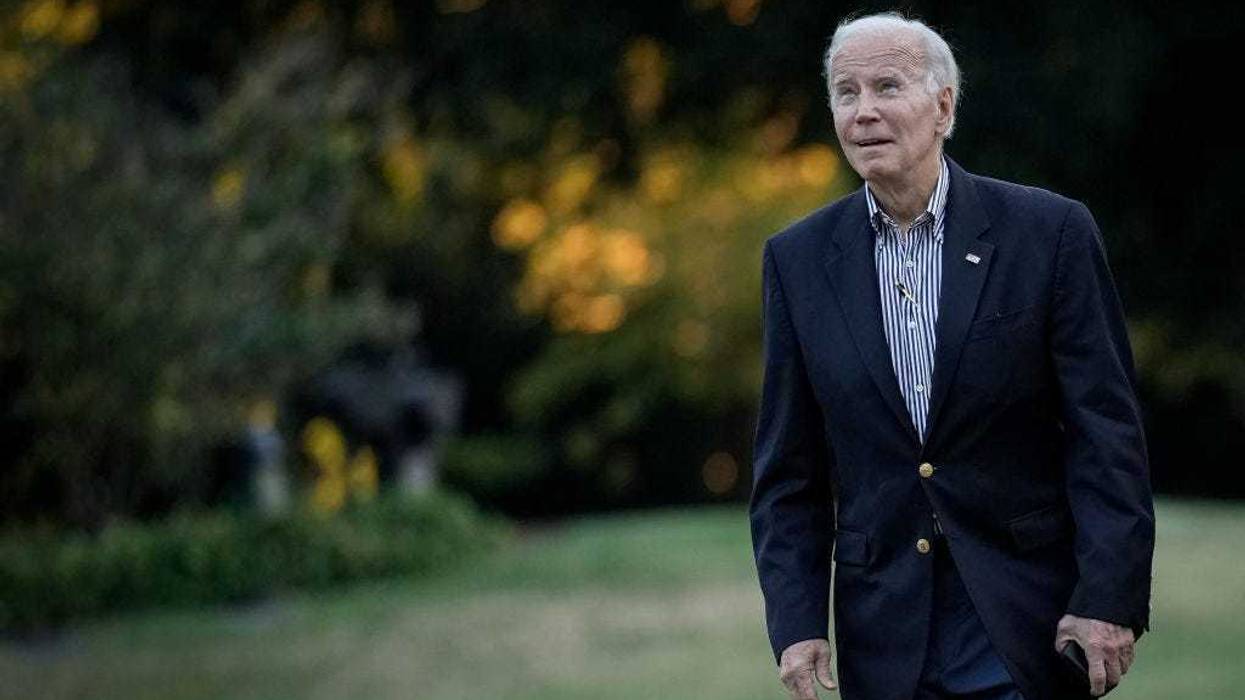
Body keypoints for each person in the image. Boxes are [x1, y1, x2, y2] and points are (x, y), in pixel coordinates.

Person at [748, 12, 1155, 700]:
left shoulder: (1048, 233)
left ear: (943, 106)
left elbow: (1105, 435)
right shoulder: (797, 260)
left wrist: (1108, 598)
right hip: (884, 633)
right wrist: (795, 622)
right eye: (845, 93)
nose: (863, 111)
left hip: (1024, 617)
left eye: (886, 86)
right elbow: (788, 471)